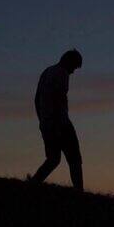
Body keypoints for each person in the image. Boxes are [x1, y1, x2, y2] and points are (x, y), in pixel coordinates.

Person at [30, 49, 84, 191]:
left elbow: (36, 99)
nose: (73, 72)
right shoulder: (62, 74)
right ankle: (79, 192)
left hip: (47, 123)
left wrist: (42, 121)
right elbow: (58, 100)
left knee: (53, 159)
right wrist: (59, 125)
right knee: (74, 159)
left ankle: (33, 182)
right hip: (60, 123)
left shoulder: (47, 71)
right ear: (69, 62)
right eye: (74, 67)